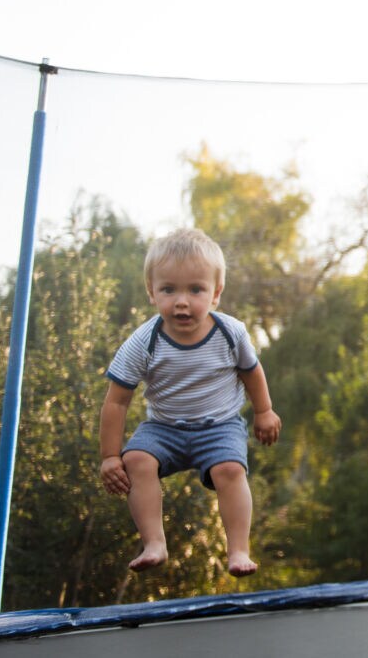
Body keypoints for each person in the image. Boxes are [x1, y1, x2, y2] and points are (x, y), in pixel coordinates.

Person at [99, 228, 282, 576]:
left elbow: (251, 372)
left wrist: (264, 411)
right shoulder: (144, 341)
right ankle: (153, 542)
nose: (181, 301)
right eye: (169, 289)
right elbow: (116, 402)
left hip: (219, 425)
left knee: (229, 469)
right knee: (136, 458)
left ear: (216, 293)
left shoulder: (231, 332)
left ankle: (239, 551)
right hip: (164, 426)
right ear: (152, 292)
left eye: (195, 289)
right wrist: (110, 456)